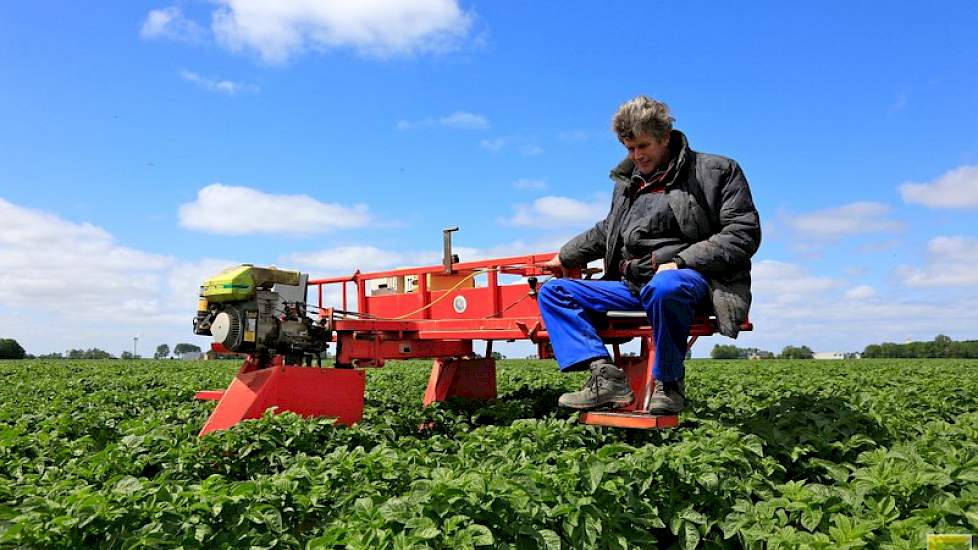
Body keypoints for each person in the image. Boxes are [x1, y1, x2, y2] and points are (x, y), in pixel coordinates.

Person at [538, 96, 761, 414]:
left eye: (643, 146)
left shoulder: (716, 171)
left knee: (665, 286)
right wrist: (566, 255)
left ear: (665, 138)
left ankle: (668, 385)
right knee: (554, 292)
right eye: (629, 149)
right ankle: (605, 376)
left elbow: (742, 233)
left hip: (694, 281)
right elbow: (608, 230)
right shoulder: (629, 184)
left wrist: (680, 262)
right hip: (633, 285)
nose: (636, 156)